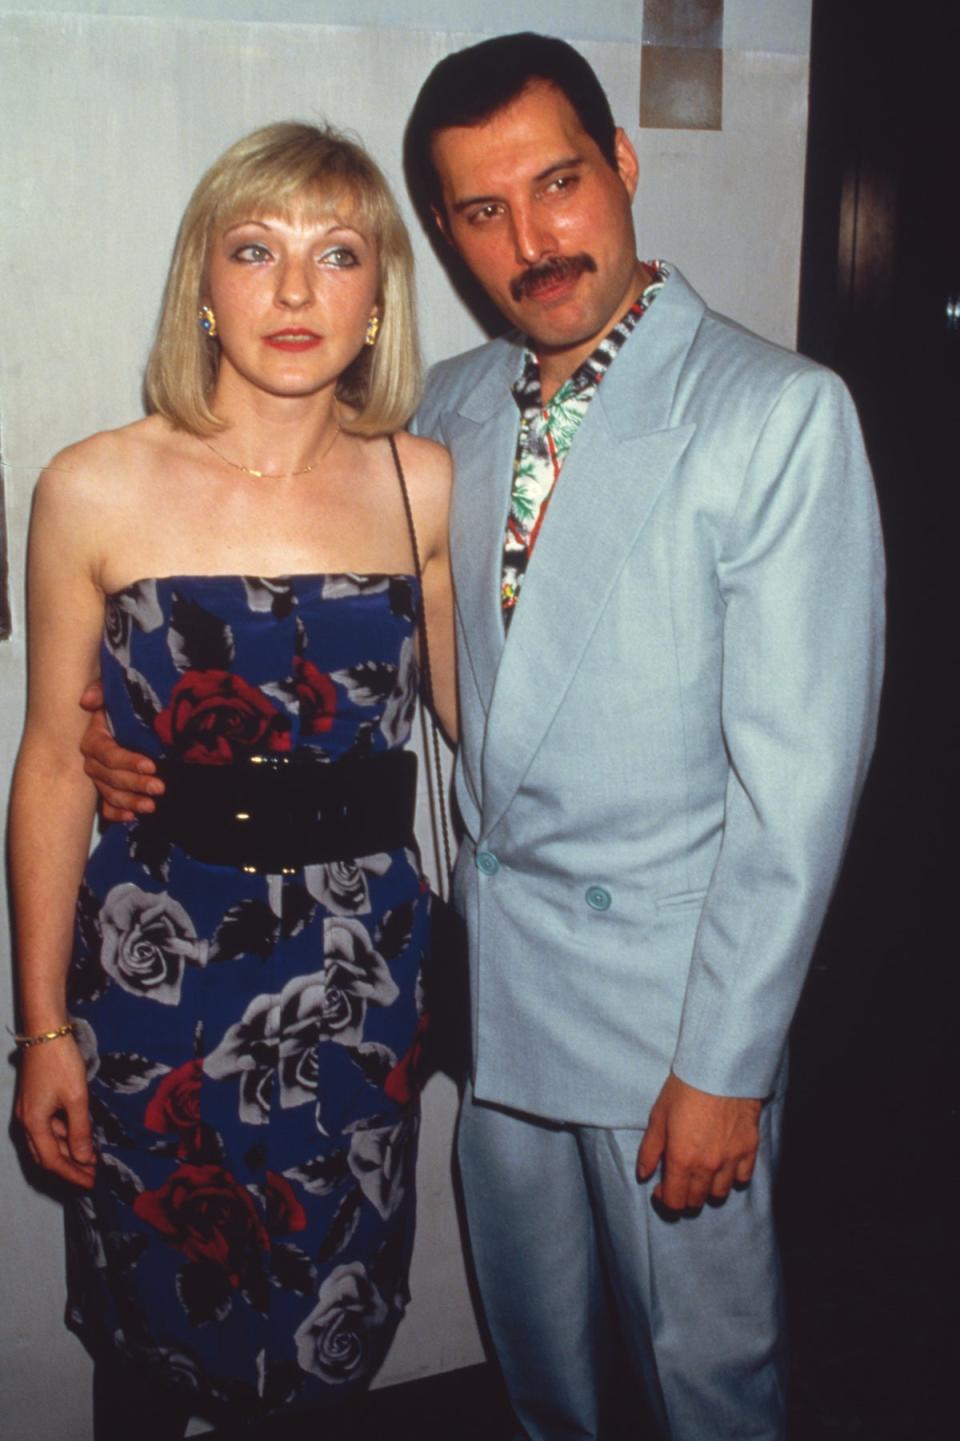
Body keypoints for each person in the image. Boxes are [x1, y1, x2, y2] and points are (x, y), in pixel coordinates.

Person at [81, 31, 886, 1441]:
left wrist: (729, 1063)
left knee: (709, 1376)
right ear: (446, 238)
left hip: (669, 1020)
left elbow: (800, 793)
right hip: (487, 990)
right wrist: (130, 734)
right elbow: (348, 655)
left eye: (561, 182)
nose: (534, 236)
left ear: (624, 167)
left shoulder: (777, 415)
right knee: (537, 1366)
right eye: (482, 210)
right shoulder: (442, 413)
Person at [10, 121, 454, 1441]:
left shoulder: (425, 482)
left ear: (381, 297)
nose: (298, 291)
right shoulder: (91, 486)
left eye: (338, 254)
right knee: (149, 1322)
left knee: (324, 1340)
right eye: (257, 251)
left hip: (356, 967)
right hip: (156, 961)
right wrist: (40, 1029)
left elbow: (493, 720)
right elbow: (49, 758)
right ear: (204, 283)